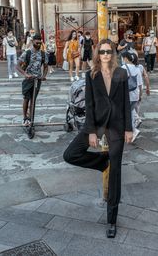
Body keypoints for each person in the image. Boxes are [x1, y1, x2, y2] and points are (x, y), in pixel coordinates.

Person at [63, 39, 133, 238]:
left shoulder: (121, 73)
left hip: (117, 125)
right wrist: (92, 131)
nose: (105, 55)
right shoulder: (91, 74)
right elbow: (90, 105)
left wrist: (129, 128)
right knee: (70, 154)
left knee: (116, 174)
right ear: (97, 54)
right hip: (97, 123)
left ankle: (112, 220)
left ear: (113, 53)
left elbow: (126, 103)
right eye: (102, 52)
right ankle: (103, 161)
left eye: (109, 51)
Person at [16, 34, 48, 126]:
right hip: (28, 80)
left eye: (40, 42)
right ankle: (25, 118)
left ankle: (31, 118)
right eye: (37, 42)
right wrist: (25, 74)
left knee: (33, 100)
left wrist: (44, 76)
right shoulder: (27, 53)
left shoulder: (43, 54)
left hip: (37, 80)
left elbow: (45, 67)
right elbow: (17, 65)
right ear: (32, 41)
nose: (38, 44)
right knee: (26, 99)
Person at [122, 51, 142, 142]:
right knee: (131, 110)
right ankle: (136, 120)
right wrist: (140, 95)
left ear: (125, 58)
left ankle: (133, 130)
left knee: (127, 113)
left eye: (122, 58)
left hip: (127, 95)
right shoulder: (137, 68)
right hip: (136, 95)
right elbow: (140, 84)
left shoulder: (123, 68)